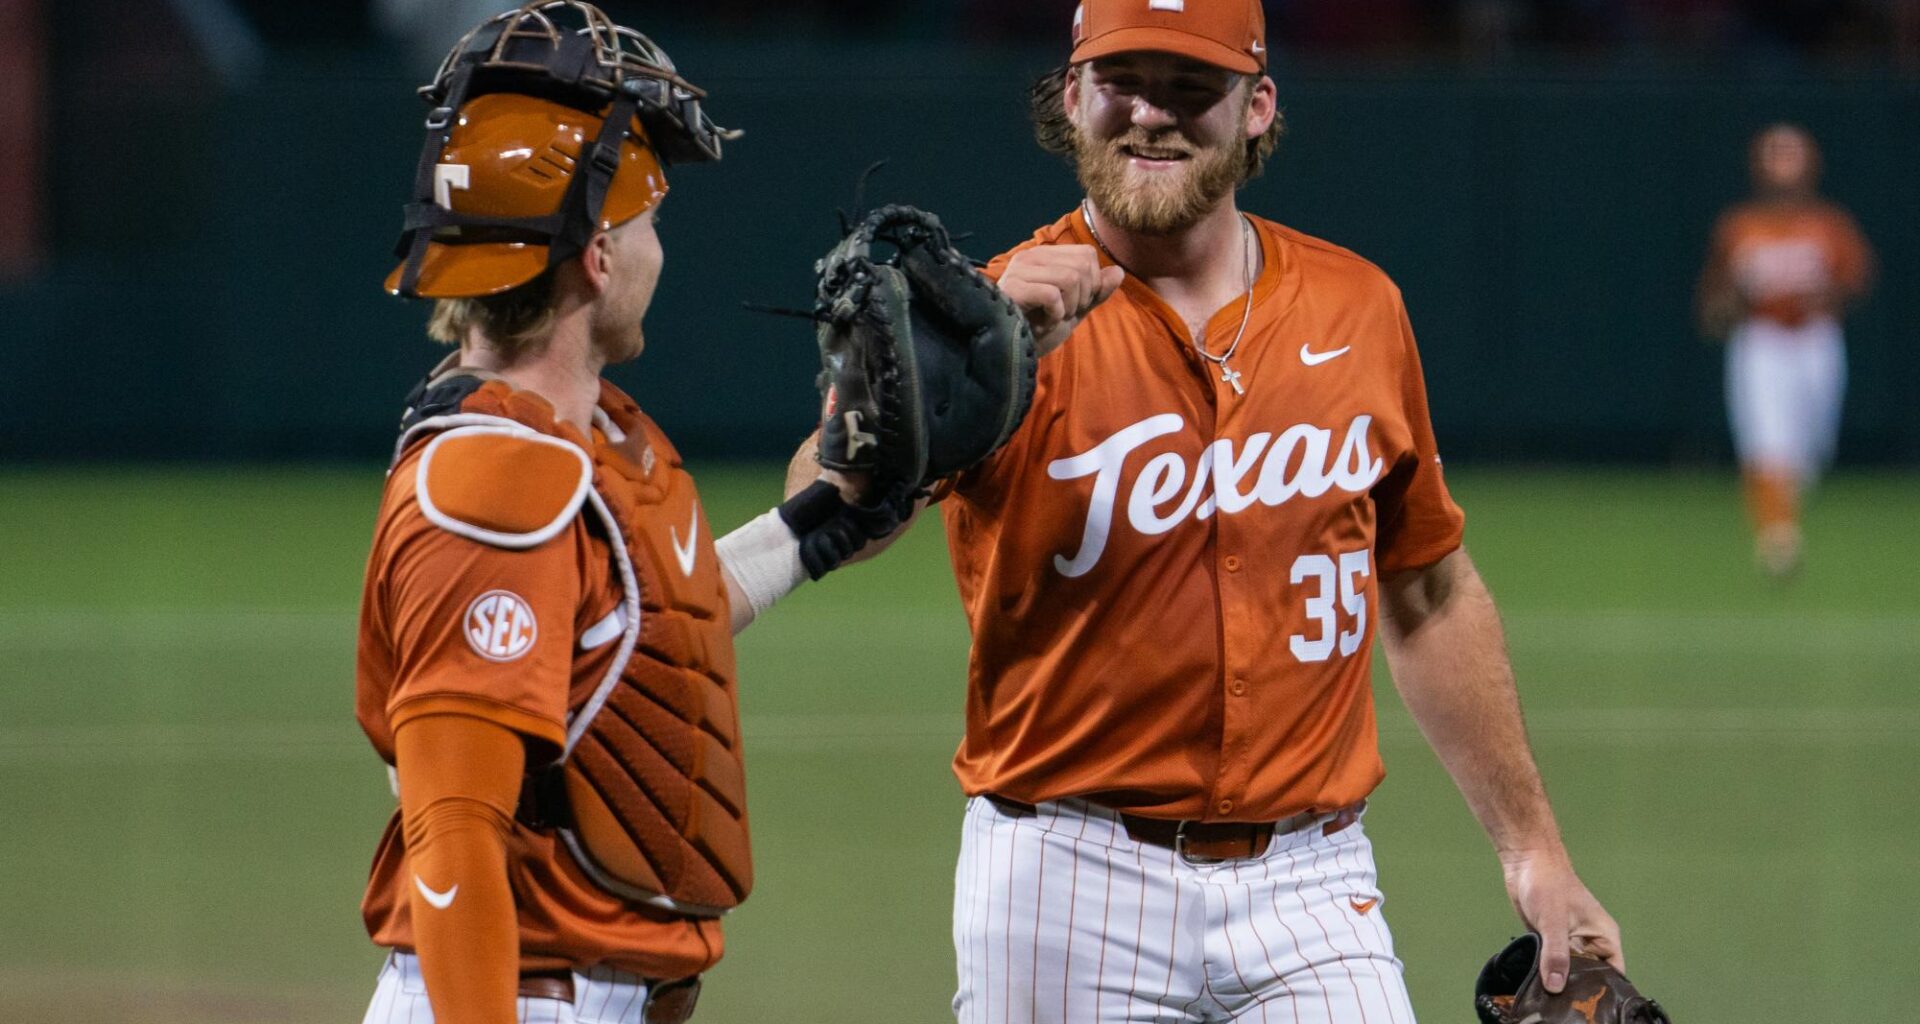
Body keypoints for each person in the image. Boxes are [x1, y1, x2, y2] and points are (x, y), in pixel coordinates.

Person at [787, 1, 1624, 1019]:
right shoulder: (993, 319)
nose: (1152, 115)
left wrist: (1534, 851)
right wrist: (915, 394)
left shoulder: (1358, 307)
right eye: (1123, 82)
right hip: (1064, 878)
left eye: (1192, 86)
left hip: (1314, 880)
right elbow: (818, 510)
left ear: (1259, 106)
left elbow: (1427, 587)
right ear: (1071, 96)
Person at [355, 4, 870, 1021]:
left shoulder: (580, 443)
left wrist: (817, 525)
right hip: (515, 993)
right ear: (595, 255)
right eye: (649, 224)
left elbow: (638, 630)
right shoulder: (494, 489)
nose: (657, 252)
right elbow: (454, 832)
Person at [1697, 123, 1874, 577]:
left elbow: (1856, 283)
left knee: (1811, 449)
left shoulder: (1828, 224)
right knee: (1767, 442)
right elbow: (1712, 305)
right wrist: (1734, 302)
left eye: (1791, 153)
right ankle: (1778, 538)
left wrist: (1820, 296)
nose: (1783, 164)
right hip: (1761, 342)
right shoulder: (1740, 226)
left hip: (1816, 341)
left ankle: (1783, 512)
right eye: (1774, 154)